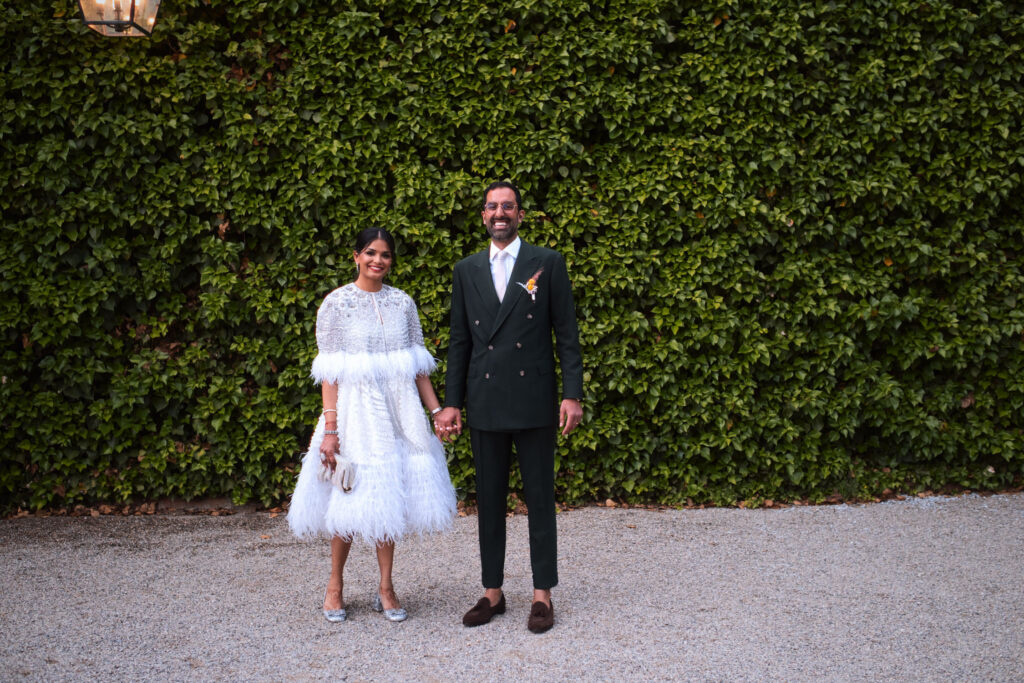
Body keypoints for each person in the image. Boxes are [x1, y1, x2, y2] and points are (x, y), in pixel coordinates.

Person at [435, 181, 584, 633]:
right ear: (483, 215)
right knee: (489, 500)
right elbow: (460, 340)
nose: (500, 213)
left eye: (508, 206)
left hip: (534, 398)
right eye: (492, 207)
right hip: (485, 398)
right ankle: (492, 593)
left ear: (520, 214)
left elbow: (567, 333)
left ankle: (542, 595)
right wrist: (452, 402)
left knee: (539, 498)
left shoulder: (547, 262)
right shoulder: (466, 269)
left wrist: (572, 394)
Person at [288, 227, 457, 624]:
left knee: (387, 498)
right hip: (355, 414)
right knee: (348, 496)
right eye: (370, 252)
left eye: (385, 254)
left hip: (399, 411)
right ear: (356, 256)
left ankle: (386, 587)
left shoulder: (403, 303)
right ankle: (335, 585)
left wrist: (436, 412)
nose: (377, 260)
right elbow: (330, 373)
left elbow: (418, 367)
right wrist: (331, 429)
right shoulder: (336, 303)